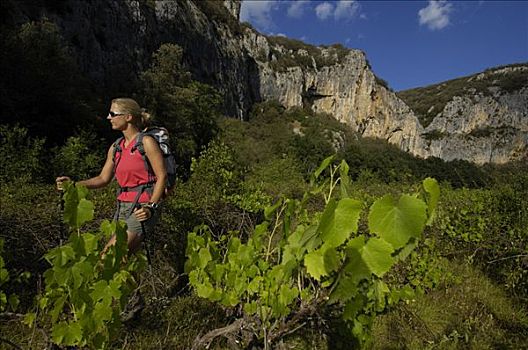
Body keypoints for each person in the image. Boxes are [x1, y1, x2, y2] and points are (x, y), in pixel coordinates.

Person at [56, 98, 167, 255]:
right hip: (122, 206)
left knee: (108, 256)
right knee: (123, 263)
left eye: (113, 113)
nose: (109, 117)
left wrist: (151, 207)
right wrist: (74, 184)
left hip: (142, 207)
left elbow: (162, 176)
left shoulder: (146, 142)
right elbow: (103, 179)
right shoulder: (116, 147)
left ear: (128, 117)